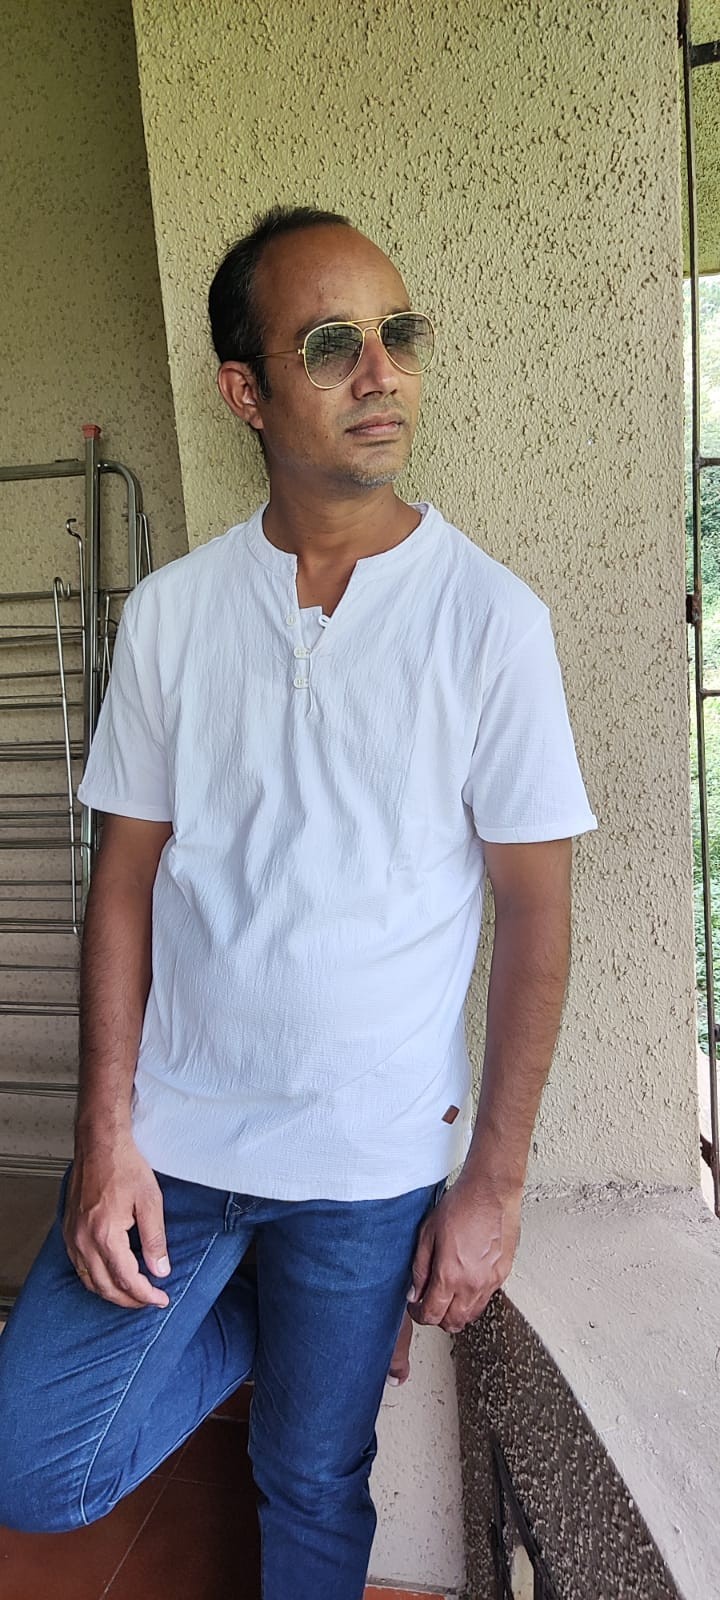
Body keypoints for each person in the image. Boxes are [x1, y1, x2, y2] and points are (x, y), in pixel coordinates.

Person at [0, 205, 597, 1598]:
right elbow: (123, 879)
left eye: (398, 334)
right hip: (176, 1143)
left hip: (367, 1164)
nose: (382, 373)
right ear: (245, 392)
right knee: (35, 1463)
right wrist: (104, 1135)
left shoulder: (489, 622)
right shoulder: (173, 616)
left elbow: (536, 914)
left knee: (314, 1477)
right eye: (332, 344)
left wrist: (492, 1186)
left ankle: (309, 1320)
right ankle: (277, 1318)